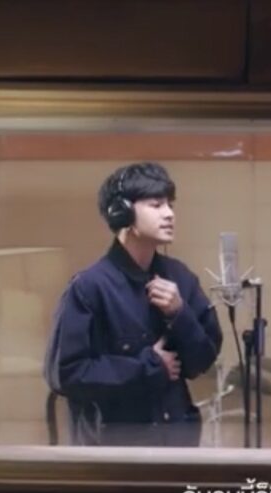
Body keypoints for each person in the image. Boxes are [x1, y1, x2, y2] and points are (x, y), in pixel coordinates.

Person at [43, 162, 223, 447]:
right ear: (122, 212)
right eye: (156, 205)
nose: (169, 214)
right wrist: (149, 366)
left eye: (170, 205)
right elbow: (65, 374)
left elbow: (202, 360)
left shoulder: (180, 277)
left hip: (177, 446)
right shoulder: (89, 287)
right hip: (114, 451)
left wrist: (179, 314)